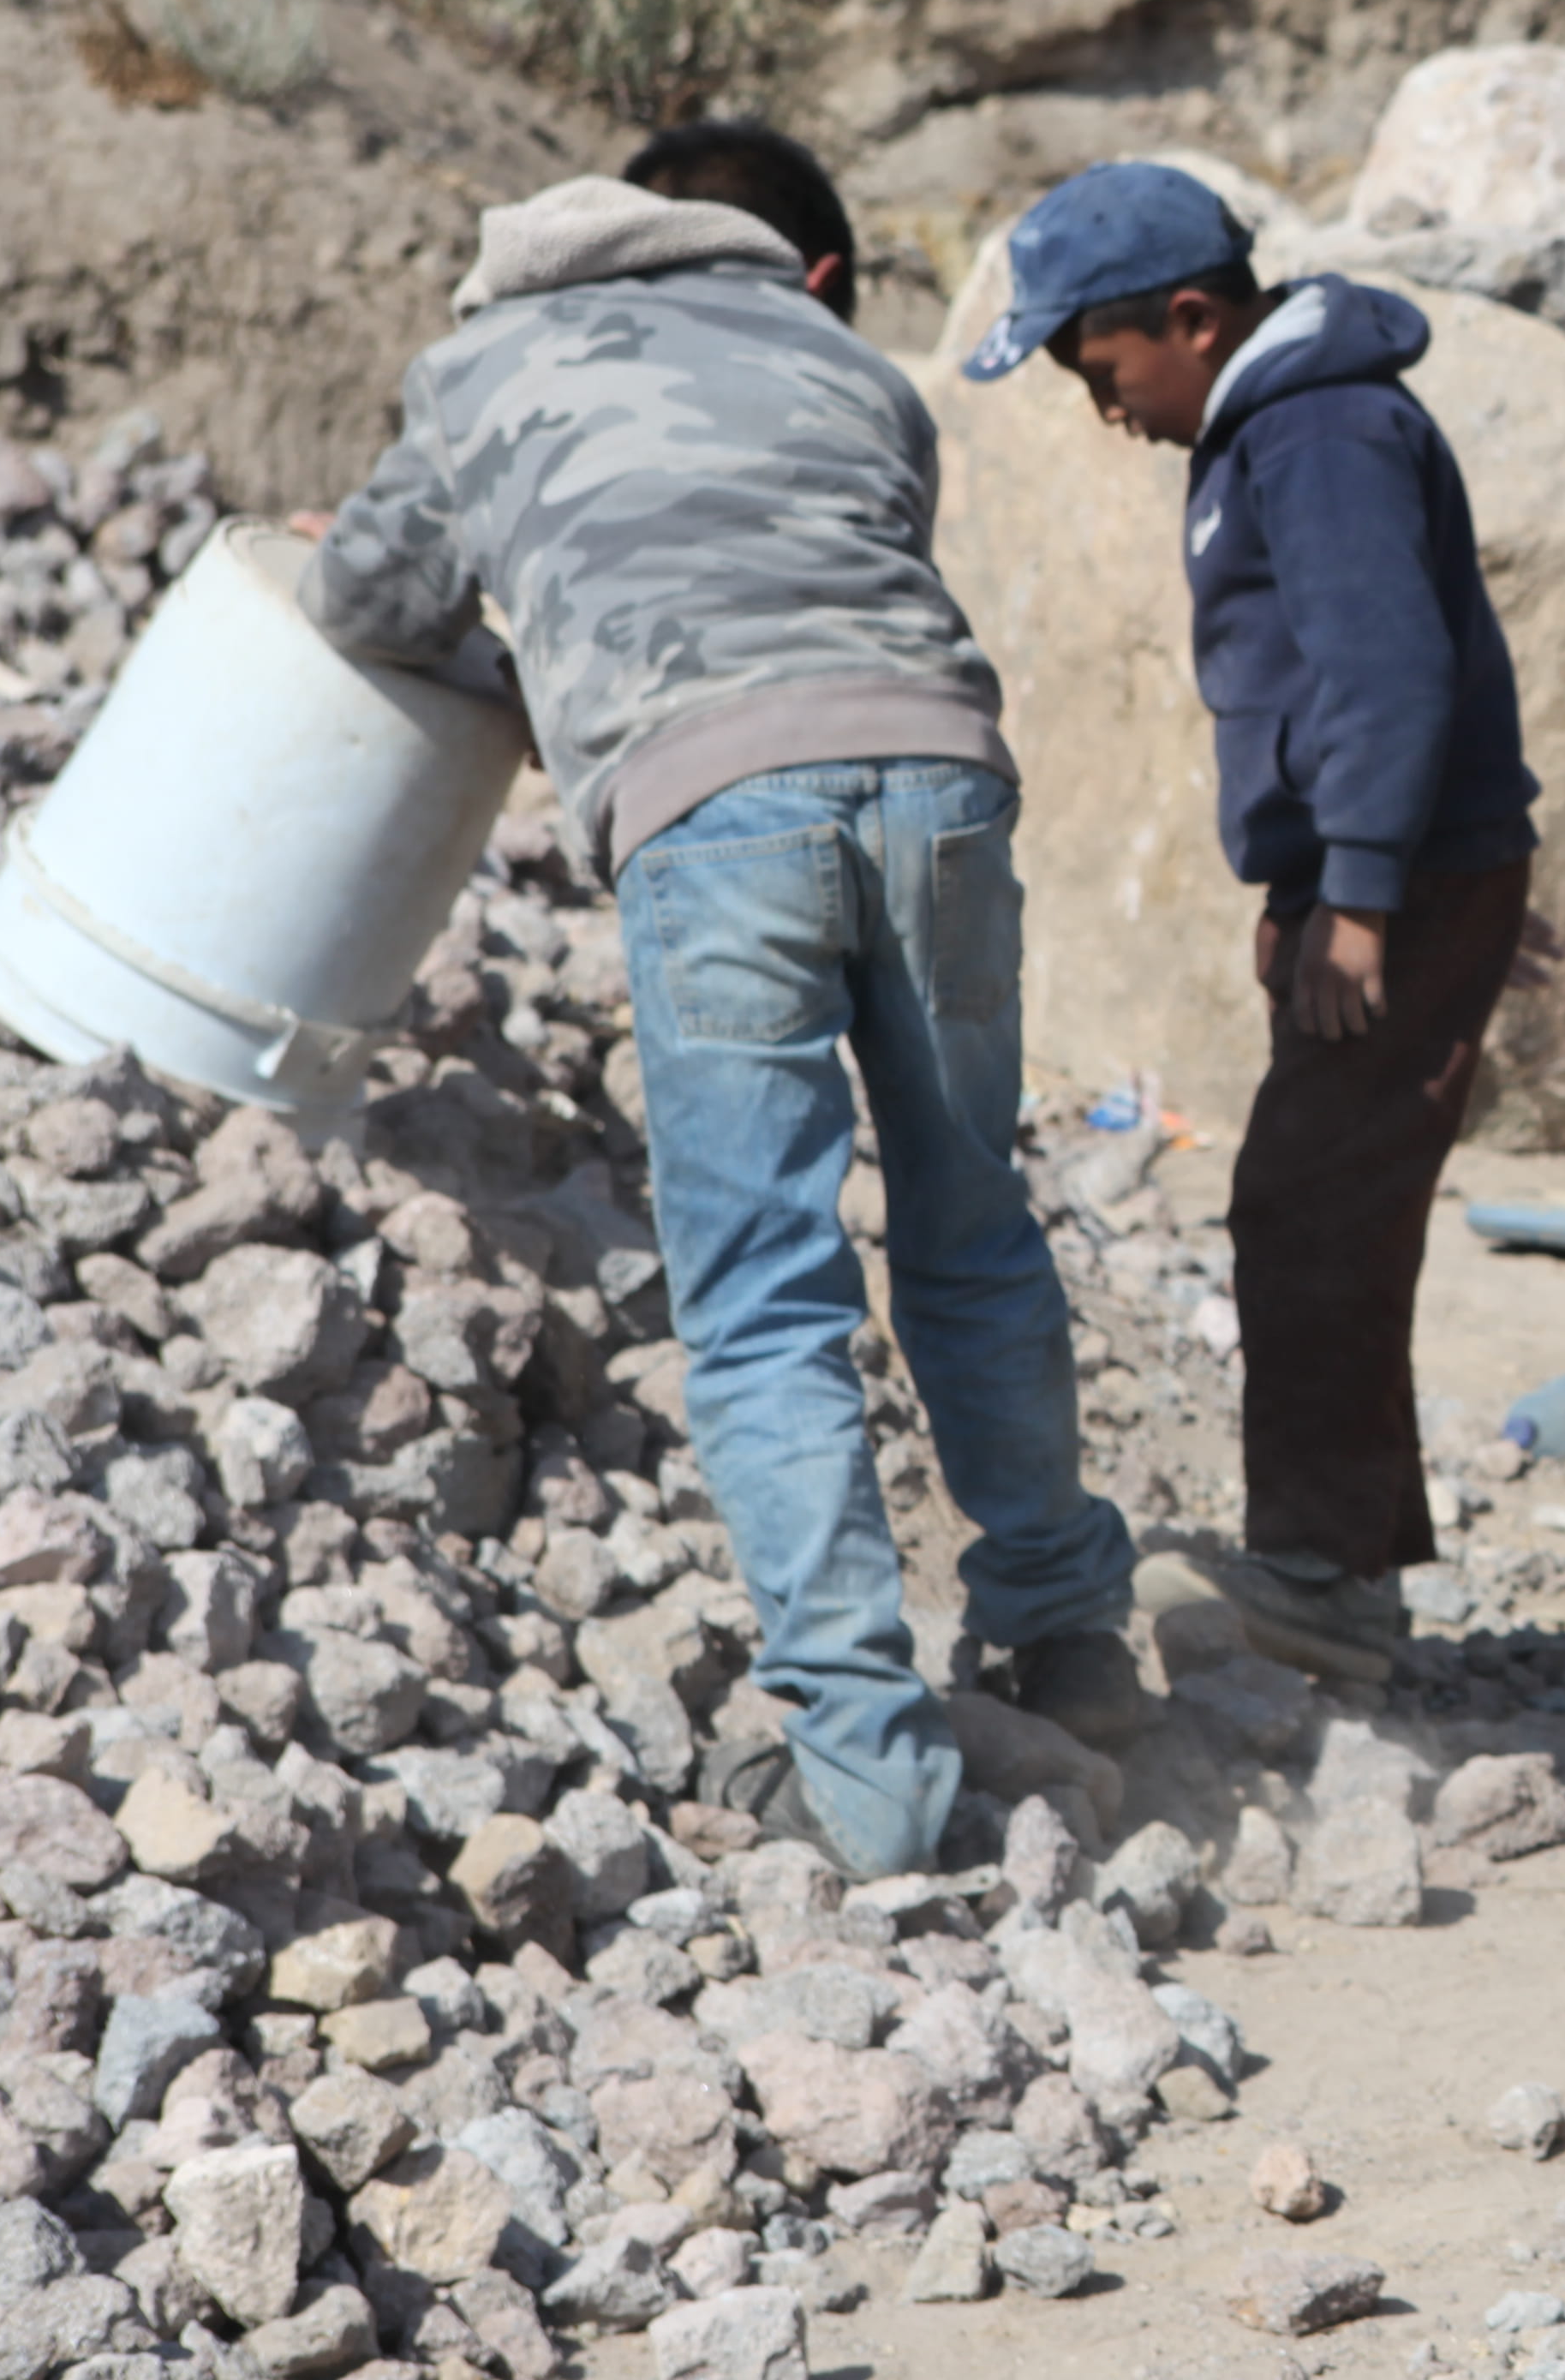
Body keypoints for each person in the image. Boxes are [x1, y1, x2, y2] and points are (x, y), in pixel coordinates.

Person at [302, 120, 1150, 1880]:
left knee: (767, 1297)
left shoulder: (479, 364)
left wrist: (539, 675)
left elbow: (361, 597)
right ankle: (1074, 1642)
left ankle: (867, 1777)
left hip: (717, 816)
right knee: (971, 1218)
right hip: (937, 774)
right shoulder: (850, 367)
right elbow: (846, 569)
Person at [966, 164, 1539, 1685]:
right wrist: (1305, 887)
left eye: (1105, 371)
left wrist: (1356, 894)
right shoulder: (1279, 424)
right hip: (1374, 874)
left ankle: (1333, 1583)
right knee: (1308, 1194)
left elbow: (1386, 673)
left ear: (1193, 318)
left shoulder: (1318, 429)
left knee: (1318, 1203)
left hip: (1412, 876)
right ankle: (1333, 1558)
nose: (1108, 410)